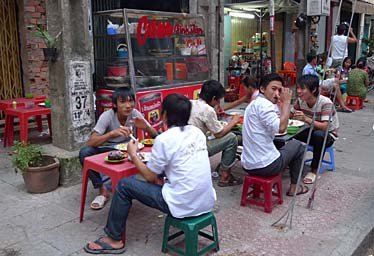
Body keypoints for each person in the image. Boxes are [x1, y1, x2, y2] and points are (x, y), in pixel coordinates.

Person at [83, 93, 216, 254]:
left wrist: (133, 154)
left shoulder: (165, 139)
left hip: (182, 204)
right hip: (206, 201)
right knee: (160, 173)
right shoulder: (197, 133)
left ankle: (114, 239)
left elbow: (150, 176)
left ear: (164, 115)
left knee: (124, 185)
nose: (128, 105)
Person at [79, 87, 158, 210]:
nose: (128, 106)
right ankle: (102, 190)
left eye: (130, 101)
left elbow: (155, 135)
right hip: (109, 149)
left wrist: (146, 127)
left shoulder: (135, 113)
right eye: (123, 102)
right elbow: (91, 142)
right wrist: (112, 134)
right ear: (115, 104)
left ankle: (150, 187)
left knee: (151, 149)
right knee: (85, 153)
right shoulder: (107, 116)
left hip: (129, 149)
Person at [241, 73, 308, 196]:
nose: (277, 93)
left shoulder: (254, 104)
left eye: (279, 90)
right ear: (262, 89)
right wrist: (287, 102)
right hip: (265, 166)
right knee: (297, 146)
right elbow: (281, 128)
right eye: (273, 89)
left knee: (280, 145)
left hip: (247, 163)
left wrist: (281, 103)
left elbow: (274, 125)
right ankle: (295, 187)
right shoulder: (264, 105)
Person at [189, 80, 242, 187]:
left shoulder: (191, 103)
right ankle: (225, 176)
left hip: (185, 145)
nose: (218, 104)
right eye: (218, 101)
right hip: (197, 148)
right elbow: (219, 134)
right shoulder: (208, 110)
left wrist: (216, 116)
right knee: (231, 138)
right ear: (213, 98)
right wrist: (234, 121)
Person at [290, 74, 339, 184]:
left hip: (328, 135)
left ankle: (314, 170)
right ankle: (288, 162)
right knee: (287, 131)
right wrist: (283, 104)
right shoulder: (300, 101)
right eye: (297, 88)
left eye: (302, 88)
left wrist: (306, 119)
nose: (298, 91)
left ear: (313, 89)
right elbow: (290, 115)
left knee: (319, 135)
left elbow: (325, 127)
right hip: (310, 130)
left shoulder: (325, 102)